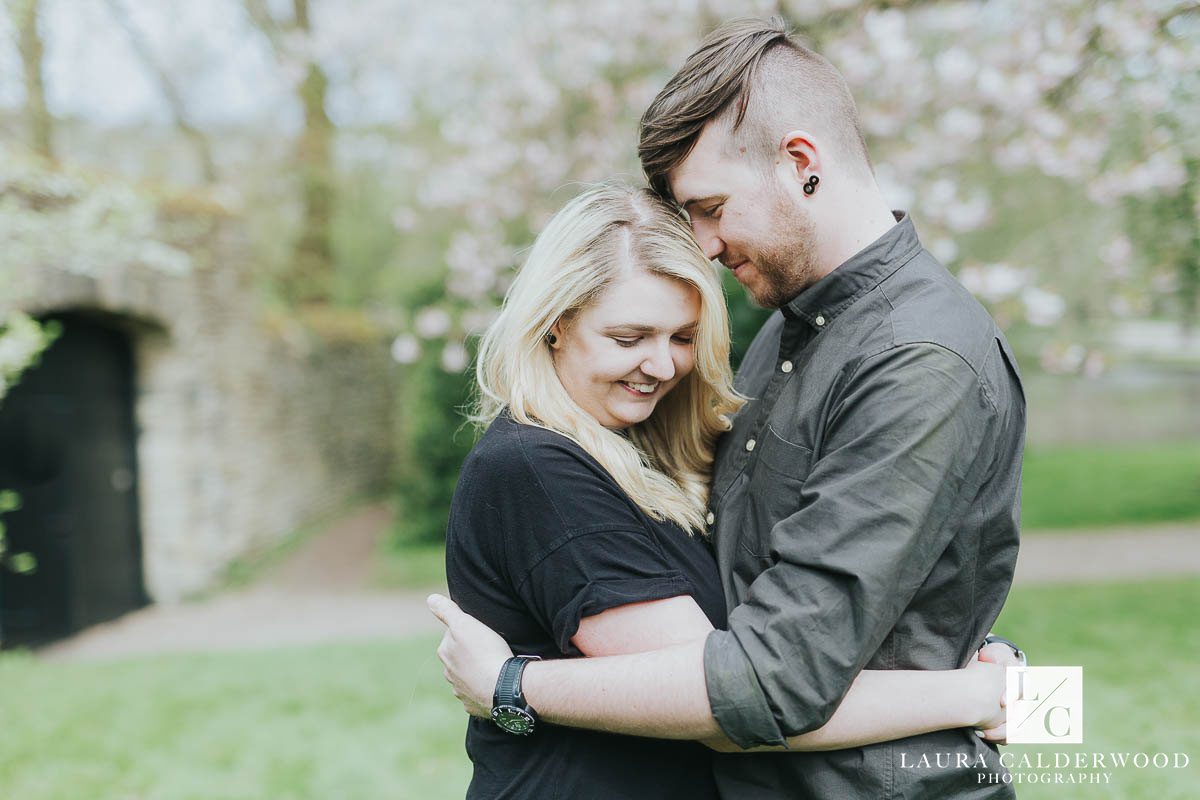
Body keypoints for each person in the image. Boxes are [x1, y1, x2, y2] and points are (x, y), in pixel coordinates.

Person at [431, 17, 1026, 800]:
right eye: (630, 334)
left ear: (801, 164)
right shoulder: (788, 332)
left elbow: (770, 680)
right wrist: (997, 685)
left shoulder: (914, 359)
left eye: (711, 207)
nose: (703, 246)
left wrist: (513, 686)